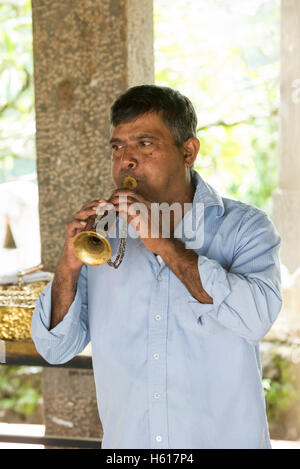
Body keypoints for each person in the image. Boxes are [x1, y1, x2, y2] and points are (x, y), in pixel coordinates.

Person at [31, 85, 282, 449]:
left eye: (145, 144)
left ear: (188, 152)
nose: (126, 161)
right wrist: (69, 265)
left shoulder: (246, 228)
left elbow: (255, 319)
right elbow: (55, 349)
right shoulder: (102, 235)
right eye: (117, 147)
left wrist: (162, 242)